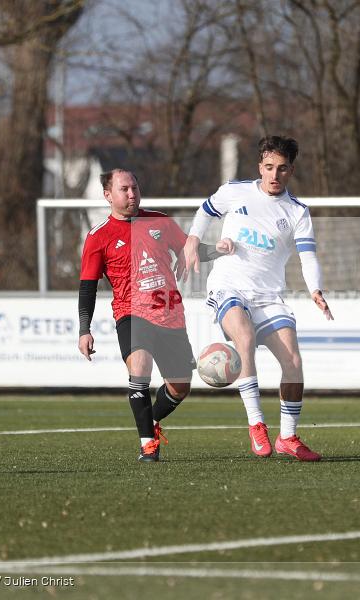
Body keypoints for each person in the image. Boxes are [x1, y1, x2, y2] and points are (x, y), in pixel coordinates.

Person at [182, 135, 333, 462]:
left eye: (281, 169)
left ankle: (288, 437)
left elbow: (308, 257)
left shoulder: (297, 212)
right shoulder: (235, 191)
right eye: (268, 167)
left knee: (293, 361)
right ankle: (256, 425)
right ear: (259, 167)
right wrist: (194, 239)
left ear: (291, 170)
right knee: (245, 337)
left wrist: (315, 290)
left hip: (268, 295)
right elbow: (206, 211)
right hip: (228, 284)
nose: (274, 175)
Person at [78, 169, 226, 463]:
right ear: (108, 195)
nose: (132, 194)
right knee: (140, 367)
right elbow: (87, 287)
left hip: (170, 314)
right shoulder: (98, 237)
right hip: (131, 313)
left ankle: (152, 421)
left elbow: (190, 251)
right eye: (124, 189)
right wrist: (85, 328)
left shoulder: (159, 221)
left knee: (180, 387)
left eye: (135, 187)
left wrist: (221, 249)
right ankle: (148, 444)